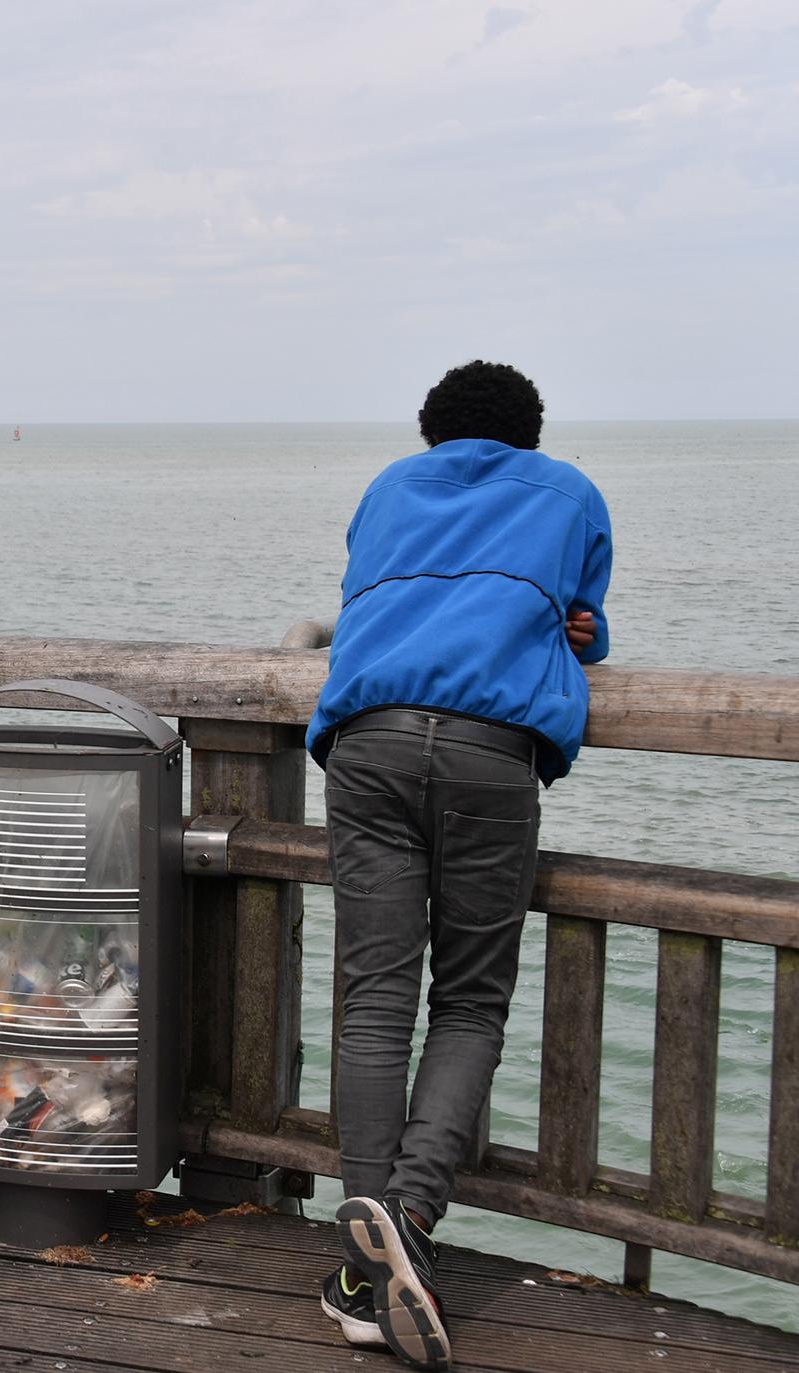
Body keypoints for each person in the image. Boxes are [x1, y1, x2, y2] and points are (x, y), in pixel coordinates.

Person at [307, 360, 611, 1369]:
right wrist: (581, 630)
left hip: (369, 737)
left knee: (373, 995)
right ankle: (406, 1222)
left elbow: (372, 593)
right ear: (525, 434)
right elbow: (579, 623)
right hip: (488, 751)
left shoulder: (389, 488)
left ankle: (361, 1255)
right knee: (469, 1000)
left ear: (430, 431)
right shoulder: (565, 492)